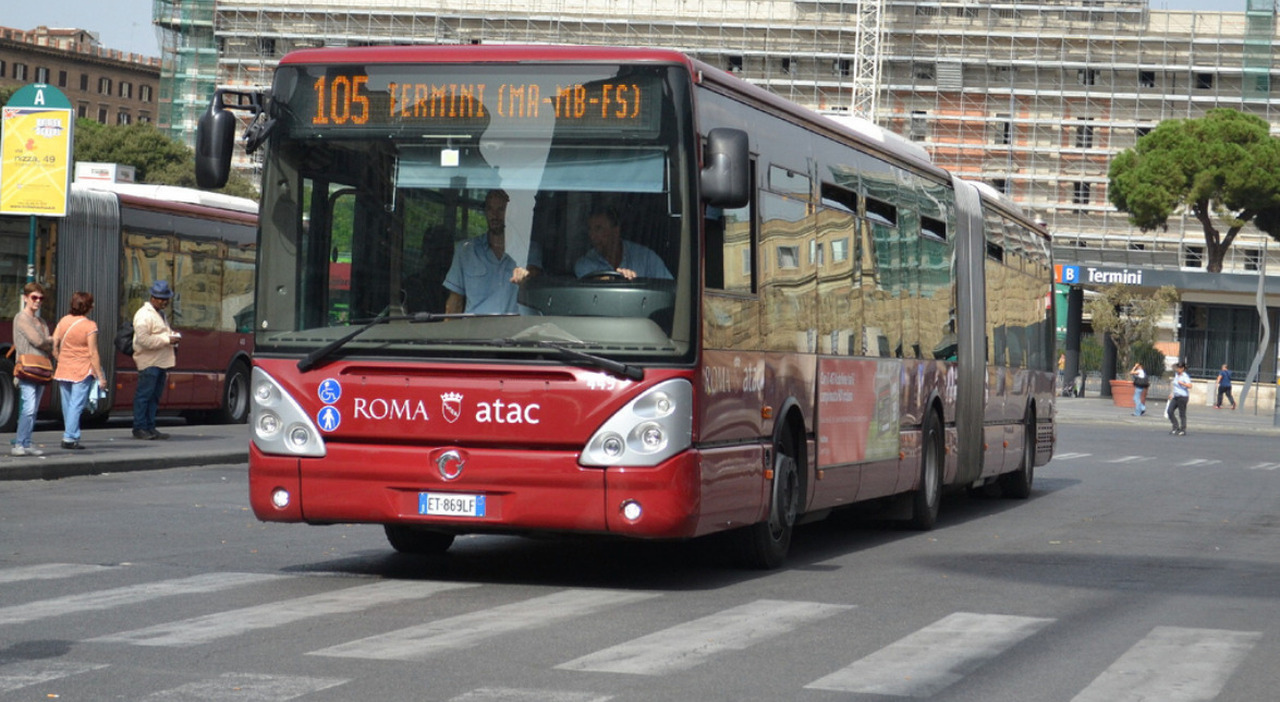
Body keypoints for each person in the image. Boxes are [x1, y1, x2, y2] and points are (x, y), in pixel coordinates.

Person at [443, 189, 541, 314]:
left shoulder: (529, 249)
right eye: (490, 209)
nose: (495, 215)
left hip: (516, 331)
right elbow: (455, 302)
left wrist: (525, 275)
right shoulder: (466, 251)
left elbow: (534, 275)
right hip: (475, 331)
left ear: (512, 212)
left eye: (501, 209)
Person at [52, 291, 108, 450]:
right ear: (88, 307)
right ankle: (69, 438)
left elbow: (54, 340)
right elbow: (93, 353)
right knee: (76, 404)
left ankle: (71, 434)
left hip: (64, 369)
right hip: (82, 370)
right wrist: (100, 377)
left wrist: (58, 357)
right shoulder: (90, 326)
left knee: (67, 404)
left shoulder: (64, 321)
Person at [132, 280, 181, 440]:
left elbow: (158, 334)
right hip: (149, 362)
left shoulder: (160, 314)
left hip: (160, 361)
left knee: (154, 396)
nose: (165, 301)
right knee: (144, 396)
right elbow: (143, 340)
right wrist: (167, 339)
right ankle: (140, 427)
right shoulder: (144, 315)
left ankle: (150, 426)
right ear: (153, 297)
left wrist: (171, 336)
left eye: (166, 298)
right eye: (161, 298)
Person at [574, 205, 672, 281]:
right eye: (590, 229)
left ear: (616, 231)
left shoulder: (646, 258)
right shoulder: (585, 264)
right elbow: (592, 288)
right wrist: (621, 280)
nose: (592, 236)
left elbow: (668, 288)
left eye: (598, 229)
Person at [11, 283, 52, 456]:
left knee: (34, 408)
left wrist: (48, 341)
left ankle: (27, 442)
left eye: (40, 298)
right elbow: (39, 341)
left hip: (40, 368)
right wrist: (49, 340)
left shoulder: (41, 321)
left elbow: (48, 343)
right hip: (27, 368)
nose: (37, 301)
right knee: (28, 407)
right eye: (34, 297)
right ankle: (19, 443)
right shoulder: (21, 318)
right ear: (25, 298)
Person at [1168, 361, 1191, 436]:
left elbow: (1190, 386)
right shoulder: (1176, 375)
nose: (1178, 369)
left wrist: (1183, 384)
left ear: (1183, 368)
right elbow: (1175, 386)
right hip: (1176, 396)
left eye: (1180, 368)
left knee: (1182, 413)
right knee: (1170, 411)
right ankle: (1175, 427)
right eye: (1178, 368)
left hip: (1183, 397)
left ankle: (1183, 429)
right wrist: (1172, 394)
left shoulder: (1185, 376)